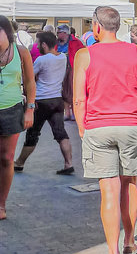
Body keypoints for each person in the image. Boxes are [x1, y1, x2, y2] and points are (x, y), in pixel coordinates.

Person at [73, 6, 137, 254]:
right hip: (131, 124)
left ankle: (113, 253)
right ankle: (130, 241)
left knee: (108, 190)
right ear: (118, 27)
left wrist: (82, 128)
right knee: (130, 184)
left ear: (96, 26)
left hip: (98, 126)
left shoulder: (84, 55)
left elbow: (78, 99)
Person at [13, 31, 73, 175]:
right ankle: (68, 163)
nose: (37, 46)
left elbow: (29, 77)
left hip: (41, 101)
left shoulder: (42, 60)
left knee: (33, 134)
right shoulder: (63, 59)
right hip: (57, 100)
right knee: (61, 133)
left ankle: (19, 163)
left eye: (38, 43)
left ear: (44, 45)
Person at [0, 15, 36, 221]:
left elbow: (30, 82)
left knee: (6, 158)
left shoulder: (21, 53)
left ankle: (1, 204)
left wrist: (30, 109)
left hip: (11, 110)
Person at [57, 24, 86, 121]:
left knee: (73, 91)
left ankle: (74, 112)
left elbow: (83, 54)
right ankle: (67, 113)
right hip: (60, 69)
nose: (57, 34)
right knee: (63, 91)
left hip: (73, 68)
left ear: (64, 33)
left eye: (59, 32)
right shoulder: (56, 43)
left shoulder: (76, 42)